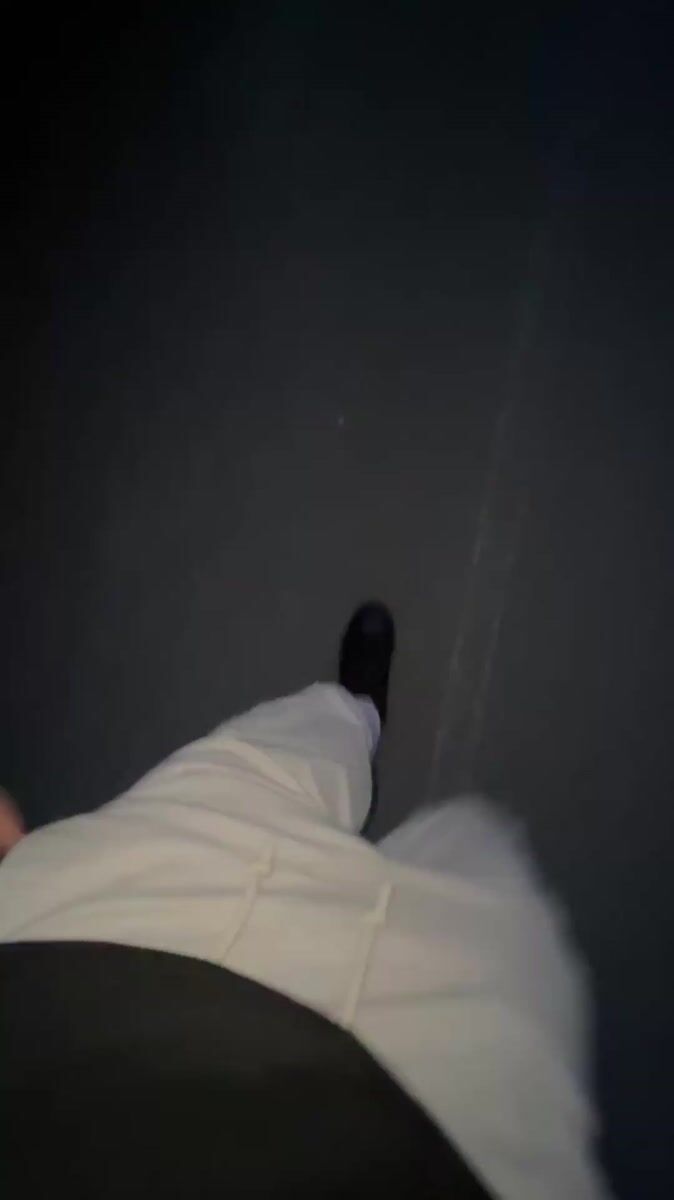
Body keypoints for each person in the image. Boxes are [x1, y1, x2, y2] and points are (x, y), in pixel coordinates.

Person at [0, 605, 610, 1199]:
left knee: (239, 772)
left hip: (46, 958)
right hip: (349, 1103)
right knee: (252, 783)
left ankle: (355, 711)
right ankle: (352, 714)